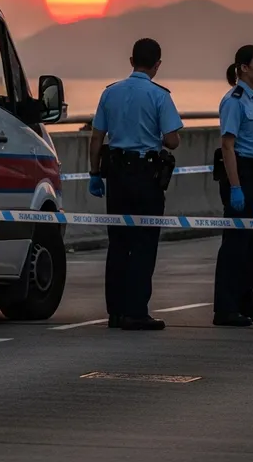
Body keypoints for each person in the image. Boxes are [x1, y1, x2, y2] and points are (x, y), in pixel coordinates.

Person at [88, 38, 183, 330]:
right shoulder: (159, 95)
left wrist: (94, 173)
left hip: (116, 174)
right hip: (145, 175)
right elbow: (172, 140)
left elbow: (96, 137)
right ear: (157, 65)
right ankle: (136, 311)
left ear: (131, 61)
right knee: (143, 243)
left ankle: (115, 312)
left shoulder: (110, 93)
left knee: (118, 243)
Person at [212, 45, 253, 328]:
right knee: (236, 245)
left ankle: (246, 300)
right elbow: (227, 145)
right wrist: (236, 186)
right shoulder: (235, 100)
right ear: (243, 67)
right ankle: (225, 307)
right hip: (241, 172)